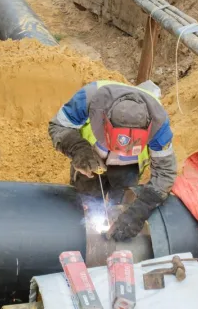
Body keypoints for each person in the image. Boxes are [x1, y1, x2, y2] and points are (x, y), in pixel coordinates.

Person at [48, 80, 176, 241]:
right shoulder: (88, 98)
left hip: (128, 167)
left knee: (122, 209)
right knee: (85, 203)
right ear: (104, 122)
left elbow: (165, 173)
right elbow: (58, 126)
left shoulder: (159, 125)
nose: (121, 151)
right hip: (91, 157)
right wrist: (78, 149)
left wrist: (140, 211)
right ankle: (81, 240)